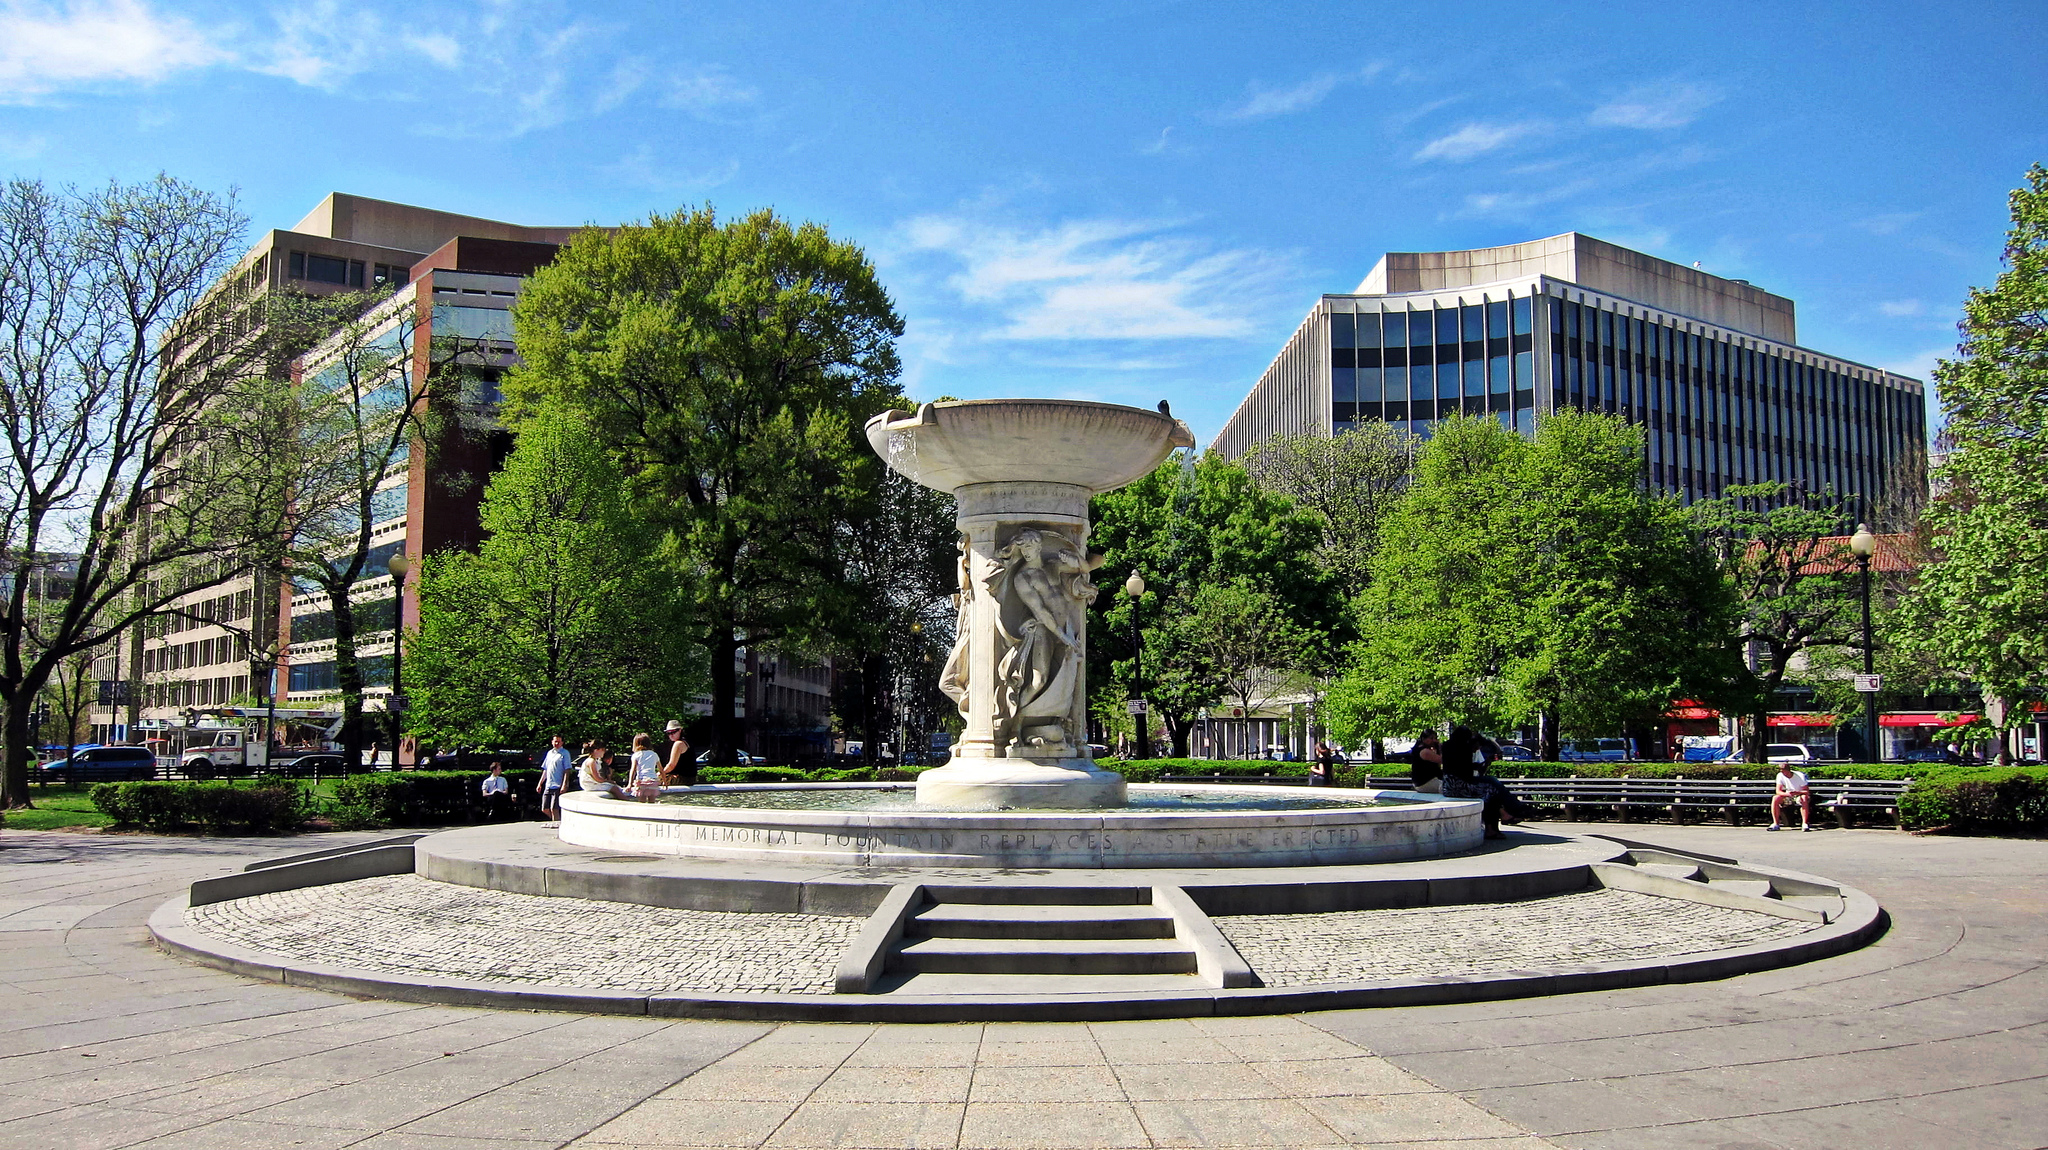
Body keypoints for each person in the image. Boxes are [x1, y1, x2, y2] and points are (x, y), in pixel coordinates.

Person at [1770, 762, 1813, 831]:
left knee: (1804, 798)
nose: (1784, 773)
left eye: (1785, 771)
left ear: (1789, 770)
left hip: (1799, 794)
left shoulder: (1800, 776)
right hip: (1788, 795)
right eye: (1781, 770)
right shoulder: (1780, 776)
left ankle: (1805, 823)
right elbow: (1778, 791)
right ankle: (1776, 823)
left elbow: (1806, 791)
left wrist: (1797, 792)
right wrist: (1788, 794)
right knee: (1775, 798)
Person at [537, 735, 572, 821]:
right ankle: (557, 821)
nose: (556, 743)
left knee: (554, 808)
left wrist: (564, 784)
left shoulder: (565, 753)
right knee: (545, 808)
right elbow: (545, 769)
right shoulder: (549, 753)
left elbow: (567, 769)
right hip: (548, 784)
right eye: (555, 741)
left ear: (562, 743)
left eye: (559, 742)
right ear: (552, 742)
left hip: (558, 784)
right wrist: (540, 783)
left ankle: (556, 824)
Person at [629, 732, 664, 802]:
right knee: (652, 801)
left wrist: (629, 784)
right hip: (652, 781)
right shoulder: (654, 754)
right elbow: (661, 769)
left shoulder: (636, 755)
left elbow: (633, 770)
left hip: (641, 781)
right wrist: (664, 781)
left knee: (642, 802)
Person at [661, 719, 696, 787]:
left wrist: (661, 773)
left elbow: (671, 765)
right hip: (690, 779)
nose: (671, 735)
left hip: (681, 779)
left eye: (673, 732)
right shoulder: (688, 742)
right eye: (668, 733)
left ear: (680, 730)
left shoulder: (678, 744)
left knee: (650, 782)